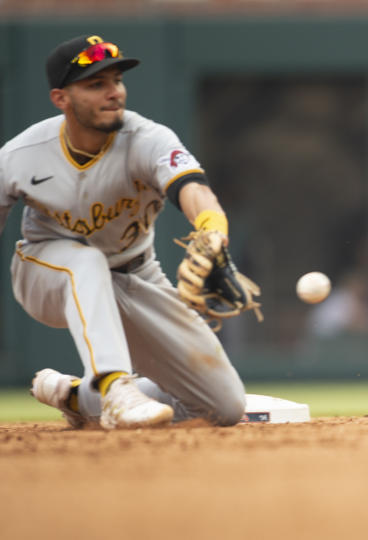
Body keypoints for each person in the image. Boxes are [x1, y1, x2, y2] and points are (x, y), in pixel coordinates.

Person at [0, 35, 248, 429]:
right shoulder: (20, 154)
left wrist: (212, 229)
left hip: (136, 275)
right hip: (45, 272)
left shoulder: (148, 139)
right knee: (85, 261)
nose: (113, 92)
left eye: (116, 80)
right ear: (60, 98)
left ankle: (78, 397)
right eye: (96, 84)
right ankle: (115, 387)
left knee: (224, 406)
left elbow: (194, 189)